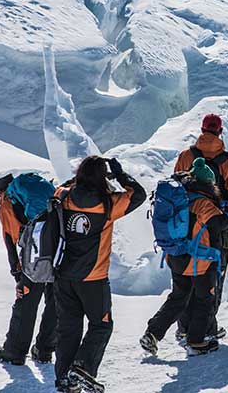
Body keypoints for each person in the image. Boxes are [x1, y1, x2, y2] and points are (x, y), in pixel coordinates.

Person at [53, 156, 145, 393]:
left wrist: (78, 179)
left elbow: (62, 187)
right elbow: (139, 194)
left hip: (63, 275)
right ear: (101, 177)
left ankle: (65, 379)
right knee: (101, 325)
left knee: (68, 328)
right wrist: (119, 173)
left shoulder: (62, 196)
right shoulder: (108, 204)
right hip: (93, 278)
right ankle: (83, 367)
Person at [140, 158, 228, 357]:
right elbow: (221, 223)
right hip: (199, 259)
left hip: (176, 256)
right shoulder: (202, 202)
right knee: (205, 299)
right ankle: (196, 341)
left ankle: (153, 333)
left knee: (179, 297)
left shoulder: (181, 197)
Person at [172, 113, 228, 342]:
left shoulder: (186, 156)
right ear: (220, 131)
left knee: (187, 276)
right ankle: (206, 329)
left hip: (185, 228)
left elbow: (175, 190)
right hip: (217, 228)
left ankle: (184, 327)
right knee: (212, 279)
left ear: (202, 130)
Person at [0, 173, 57, 366]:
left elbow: (10, 239)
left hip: (33, 258)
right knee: (55, 301)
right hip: (57, 253)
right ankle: (44, 350)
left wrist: (17, 273)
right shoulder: (39, 193)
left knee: (25, 303)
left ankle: (14, 351)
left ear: (1, 192)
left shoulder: (7, 203)